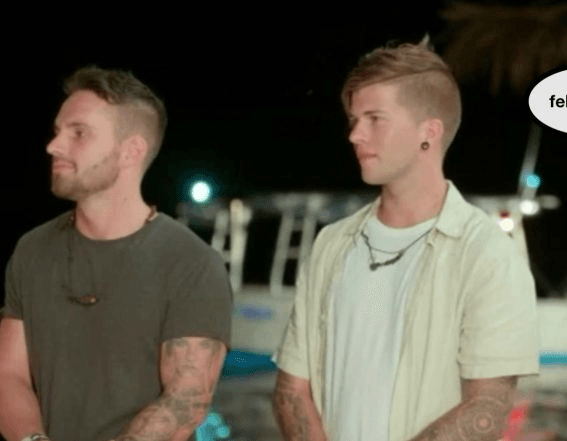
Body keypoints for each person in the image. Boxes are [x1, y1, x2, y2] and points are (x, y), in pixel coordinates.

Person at [271, 38, 539, 441]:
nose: (355, 135)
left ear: (428, 132)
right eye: (353, 119)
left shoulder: (486, 253)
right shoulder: (332, 244)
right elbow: (291, 389)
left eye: (374, 119)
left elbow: (487, 410)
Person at [0, 67, 233, 441]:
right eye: (58, 131)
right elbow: (9, 376)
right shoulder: (33, 249)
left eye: (78, 133)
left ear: (131, 151)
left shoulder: (191, 262)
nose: (54, 146)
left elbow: (185, 402)